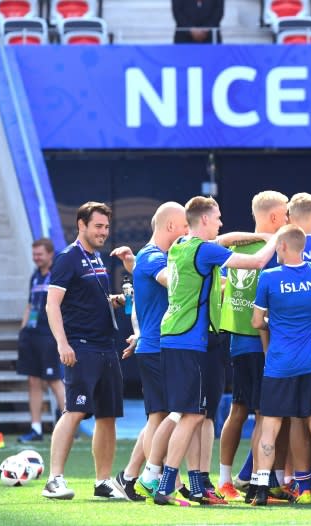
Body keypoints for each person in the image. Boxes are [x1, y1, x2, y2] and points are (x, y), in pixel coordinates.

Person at [152, 196, 278, 506]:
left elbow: (225, 239)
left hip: (177, 338)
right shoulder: (204, 249)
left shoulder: (181, 245)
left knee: (197, 415)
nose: (221, 222)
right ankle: (164, 485)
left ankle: (196, 485)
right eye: (217, 217)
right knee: (191, 416)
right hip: (190, 341)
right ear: (205, 220)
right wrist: (277, 238)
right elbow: (257, 262)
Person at [250, 225, 311, 506]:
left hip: (279, 365)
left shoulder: (268, 277)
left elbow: (256, 322)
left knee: (271, 426)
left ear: (281, 247)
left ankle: (263, 488)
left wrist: (273, 323)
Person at [42, 202, 128, 500]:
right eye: (98, 226)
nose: (104, 232)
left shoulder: (97, 257)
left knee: (107, 416)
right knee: (75, 410)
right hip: (80, 347)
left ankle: (102, 482)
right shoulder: (68, 258)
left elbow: (90, 297)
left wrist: (114, 299)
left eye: (106, 227)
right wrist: (63, 344)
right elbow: (52, 304)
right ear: (82, 225)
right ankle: (54, 479)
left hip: (106, 347)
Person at [108, 202, 189, 501]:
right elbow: (173, 282)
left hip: (155, 345)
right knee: (163, 417)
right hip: (156, 348)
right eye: (184, 228)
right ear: (170, 227)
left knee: (160, 416)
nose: (187, 233)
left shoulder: (150, 257)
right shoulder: (154, 257)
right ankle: (146, 479)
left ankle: (134, 477)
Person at [217, 191, 288, 503]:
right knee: (264, 414)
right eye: (285, 216)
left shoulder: (239, 244)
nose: (288, 221)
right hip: (260, 343)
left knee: (239, 410)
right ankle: (256, 481)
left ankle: (227, 479)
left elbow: (219, 242)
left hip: (238, 341)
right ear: (274, 218)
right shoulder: (271, 249)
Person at [17, 238, 64, 443]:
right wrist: (22, 330)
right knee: (33, 381)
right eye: (34, 254)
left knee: (54, 380)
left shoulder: (58, 275)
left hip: (49, 335)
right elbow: (29, 305)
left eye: (40, 254)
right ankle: (35, 428)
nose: (36, 257)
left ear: (50, 254)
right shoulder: (35, 276)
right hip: (31, 335)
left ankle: (67, 425)